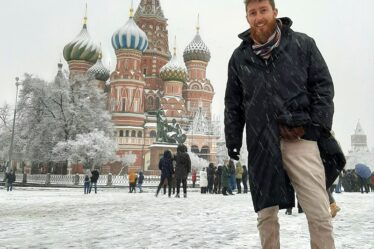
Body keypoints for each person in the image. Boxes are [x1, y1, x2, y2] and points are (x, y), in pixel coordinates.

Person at [224, 0, 336, 247]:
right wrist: (232, 139)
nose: (258, 17)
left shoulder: (302, 45)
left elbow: (323, 88)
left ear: (275, 12)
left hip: (299, 139)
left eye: (263, 10)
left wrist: (315, 128)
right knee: (266, 216)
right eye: (252, 13)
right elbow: (233, 104)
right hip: (261, 142)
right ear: (247, 17)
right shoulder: (240, 57)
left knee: (318, 213)